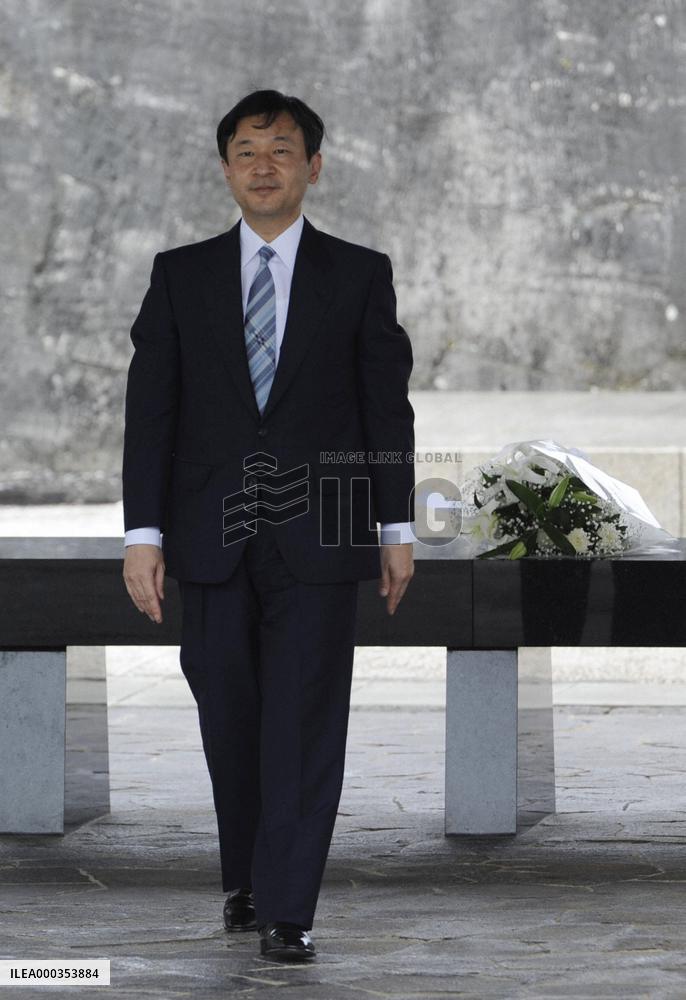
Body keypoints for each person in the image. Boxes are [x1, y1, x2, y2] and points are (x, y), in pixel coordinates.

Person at [121, 89, 415, 963]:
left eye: (281, 150)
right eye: (247, 150)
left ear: (313, 168)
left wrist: (394, 525)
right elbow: (152, 412)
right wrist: (144, 536)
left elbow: (383, 409)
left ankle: (289, 908)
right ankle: (249, 872)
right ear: (225, 168)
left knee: (305, 716)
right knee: (232, 711)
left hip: (321, 534)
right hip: (209, 535)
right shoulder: (180, 274)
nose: (263, 165)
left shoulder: (360, 274)